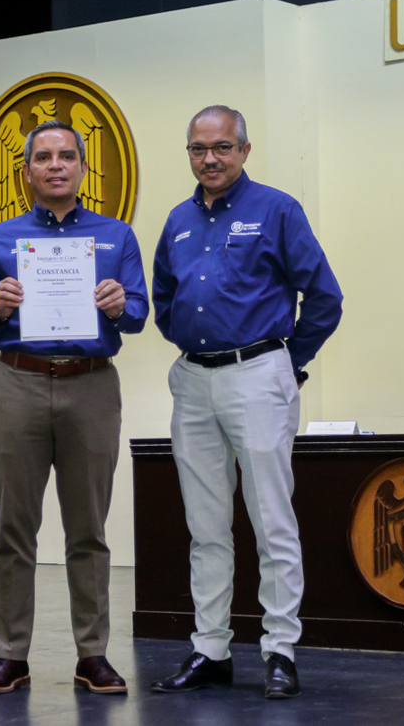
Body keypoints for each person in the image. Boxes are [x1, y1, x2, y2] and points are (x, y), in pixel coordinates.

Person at [149, 105, 343, 699]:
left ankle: (280, 649)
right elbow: (164, 300)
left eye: (222, 147)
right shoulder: (178, 220)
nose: (209, 159)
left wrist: (286, 362)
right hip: (193, 381)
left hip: (257, 374)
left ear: (244, 150)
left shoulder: (277, 210)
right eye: (198, 149)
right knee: (205, 527)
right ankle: (211, 649)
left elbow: (325, 298)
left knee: (270, 519)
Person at [0, 119, 148, 695]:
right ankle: (10, 655)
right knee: (14, 528)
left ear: (84, 168)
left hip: (91, 387)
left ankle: (93, 654)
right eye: (43, 157)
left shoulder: (116, 236)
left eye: (67, 155)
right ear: (26, 173)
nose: (56, 165)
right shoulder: (0, 239)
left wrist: (119, 305)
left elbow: (140, 314)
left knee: (88, 529)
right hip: (17, 384)